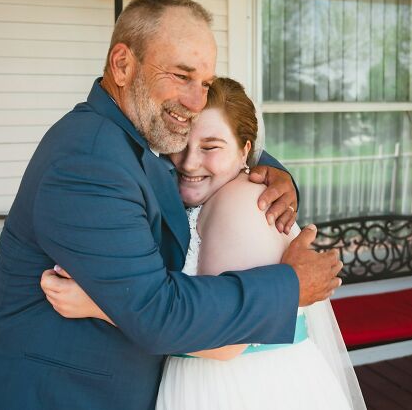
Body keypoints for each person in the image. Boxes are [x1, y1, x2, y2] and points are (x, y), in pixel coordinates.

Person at [0, 0, 343, 410]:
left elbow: (221, 150)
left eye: (205, 84)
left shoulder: (140, 134)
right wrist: (290, 287)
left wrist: (277, 173)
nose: (195, 103)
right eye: (180, 75)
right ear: (123, 65)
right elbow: (157, 313)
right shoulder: (90, 159)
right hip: (56, 395)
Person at [44, 78, 366, 409]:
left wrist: (99, 304)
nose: (189, 163)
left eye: (210, 147)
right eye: (181, 144)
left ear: (245, 151)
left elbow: (226, 341)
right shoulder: (203, 198)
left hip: (240, 389)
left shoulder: (239, 206)